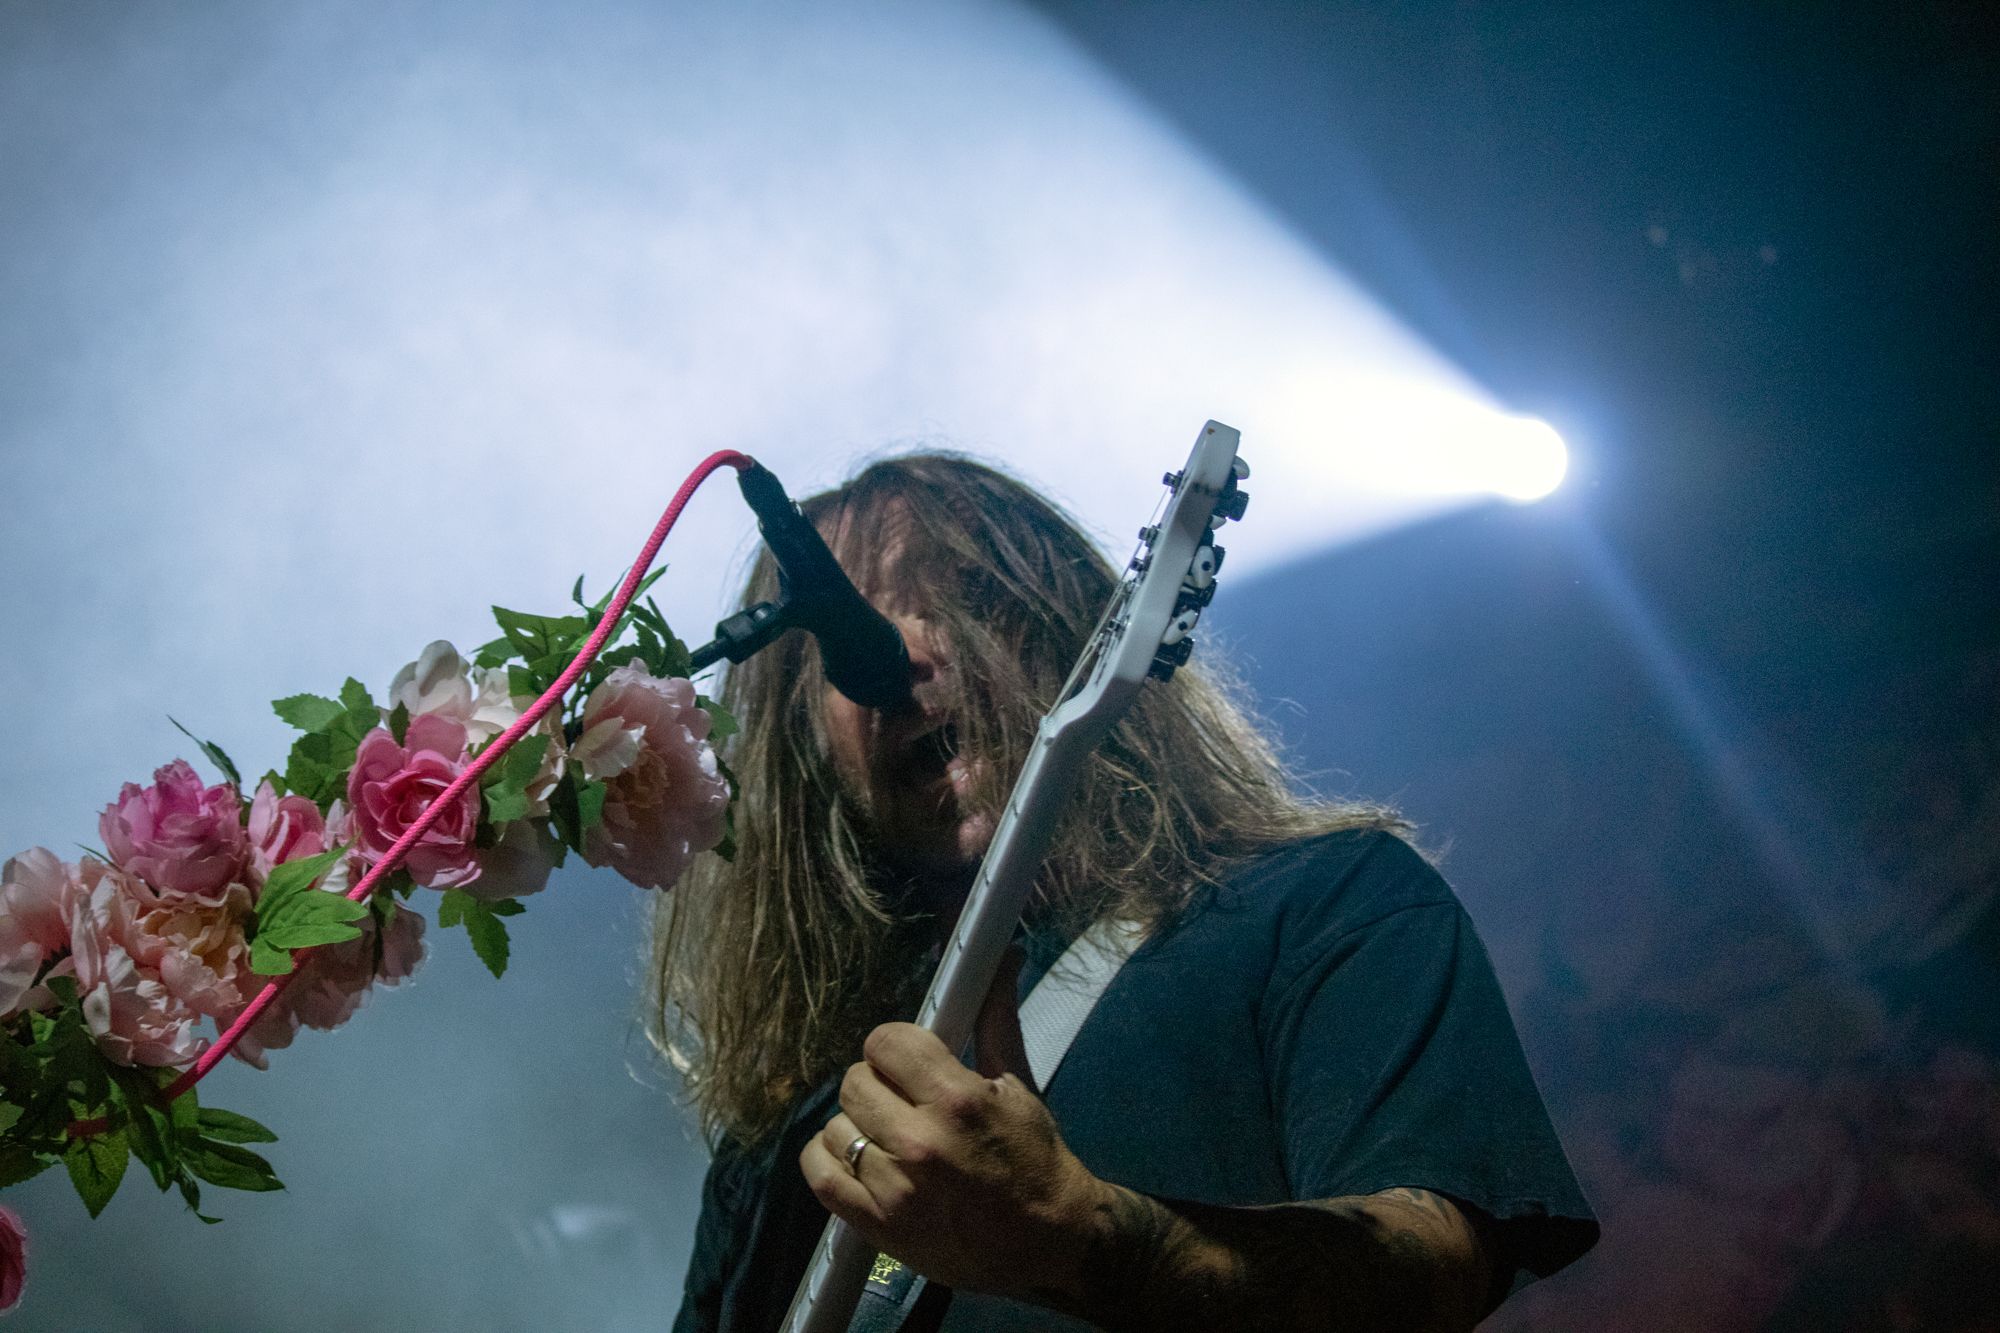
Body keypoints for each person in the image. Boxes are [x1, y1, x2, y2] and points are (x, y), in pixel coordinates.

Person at [655, 453, 1597, 1332]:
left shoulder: (1319, 903)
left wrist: (1081, 1236)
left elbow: (1432, 1271)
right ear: (800, 745)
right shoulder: (784, 1137)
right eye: (839, 634)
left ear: (1068, 626)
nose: (898, 655)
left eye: (957, 599)